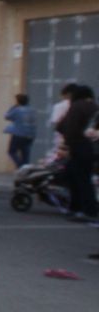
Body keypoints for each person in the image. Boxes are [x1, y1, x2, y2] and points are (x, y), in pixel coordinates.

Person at [55, 84, 97, 220]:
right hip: (91, 147)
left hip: (79, 146)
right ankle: (77, 208)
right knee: (78, 176)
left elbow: (65, 127)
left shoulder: (76, 107)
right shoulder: (94, 107)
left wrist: (67, 145)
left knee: (80, 179)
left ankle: (87, 210)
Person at [3, 93, 36, 169]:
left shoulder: (17, 110)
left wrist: (13, 107)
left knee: (11, 151)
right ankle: (26, 170)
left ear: (18, 101)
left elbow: (6, 116)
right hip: (30, 135)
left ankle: (21, 166)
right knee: (25, 154)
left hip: (19, 134)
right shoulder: (32, 110)